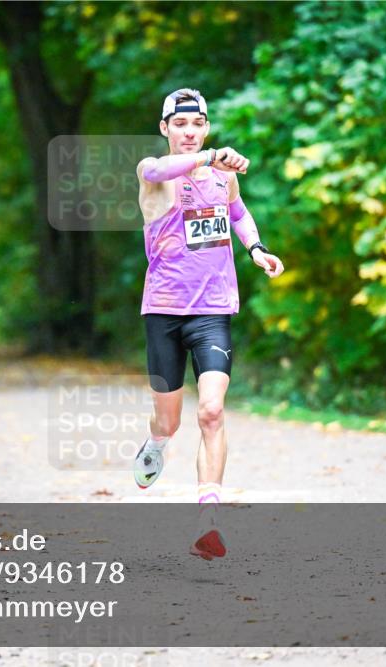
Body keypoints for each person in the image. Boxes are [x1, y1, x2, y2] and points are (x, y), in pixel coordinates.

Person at [132, 89, 285, 560]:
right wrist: (208, 157)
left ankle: (208, 521)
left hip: (213, 309)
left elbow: (238, 211)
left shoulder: (222, 176)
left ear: (206, 126)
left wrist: (256, 248)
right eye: (180, 124)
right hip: (163, 311)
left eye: (197, 123)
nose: (189, 130)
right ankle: (156, 441)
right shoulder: (152, 173)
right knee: (171, 420)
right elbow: (158, 170)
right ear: (165, 129)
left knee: (212, 412)